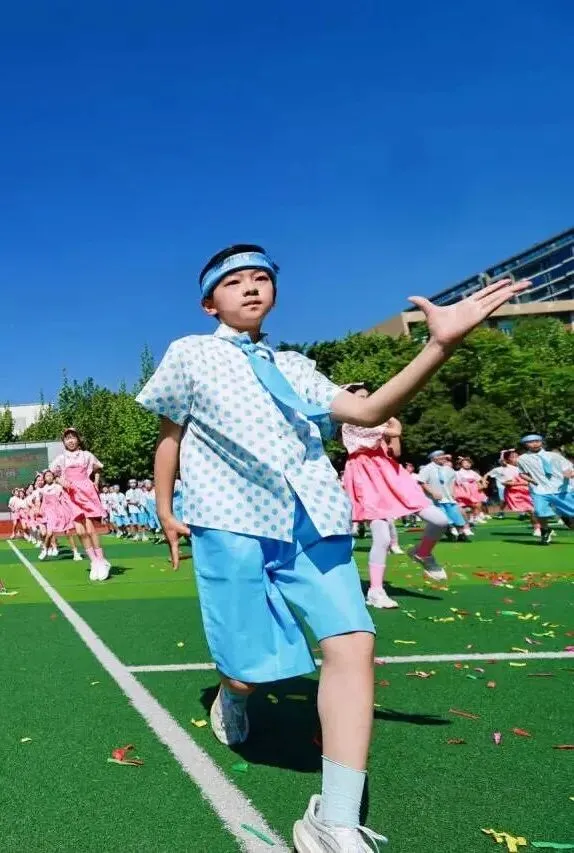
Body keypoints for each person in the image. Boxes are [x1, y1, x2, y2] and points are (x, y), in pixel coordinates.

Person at [136, 242, 527, 851]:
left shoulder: (296, 366)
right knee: (247, 668)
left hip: (312, 517)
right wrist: (165, 508)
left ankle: (335, 820)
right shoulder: (189, 353)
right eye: (234, 281)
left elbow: (367, 410)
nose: (250, 287)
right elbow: (171, 435)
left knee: (353, 642)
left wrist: (439, 345)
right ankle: (234, 695)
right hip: (228, 519)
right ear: (208, 303)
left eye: (261, 277)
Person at [342, 387, 449, 608]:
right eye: (361, 397)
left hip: (391, 474)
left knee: (440, 520)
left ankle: (422, 553)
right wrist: (389, 414)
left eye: (369, 397)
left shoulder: (377, 422)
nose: (367, 401)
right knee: (381, 538)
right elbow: (395, 429)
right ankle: (376, 590)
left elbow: (395, 451)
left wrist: (388, 422)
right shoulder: (351, 422)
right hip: (365, 477)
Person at [50, 429, 111, 580]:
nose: (70, 441)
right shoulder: (61, 458)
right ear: (64, 442)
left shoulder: (86, 455)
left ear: (78, 439)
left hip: (86, 493)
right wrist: (61, 481)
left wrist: (95, 482)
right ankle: (94, 561)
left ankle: (101, 561)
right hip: (71, 495)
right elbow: (52, 474)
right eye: (67, 438)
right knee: (80, 531)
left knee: (90, 528)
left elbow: (98, 468)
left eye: (73, 437)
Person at [517, 434, 574, 544]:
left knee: (571, 519)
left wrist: (570, 473)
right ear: (525, 444)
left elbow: (569, 468)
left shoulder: (554, 455)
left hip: (560, 489)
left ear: (542, 442)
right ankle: (545, 531)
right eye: (531, 442)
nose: (535, 444)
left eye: (537, 441)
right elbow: (522, 473)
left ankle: (565, 517)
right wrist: (532, 481)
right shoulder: (522, 459)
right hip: (540, 490)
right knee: (539, 511)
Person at [418, 451, 474, 540]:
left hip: (448, 498)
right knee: (444, 519)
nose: (443, 458)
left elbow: (452, 481)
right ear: (434, 458)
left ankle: (461, 534)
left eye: (444, 456)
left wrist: (453, 492)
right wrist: (432, 493)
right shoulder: (427, 469)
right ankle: (449, 533)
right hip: (435, 500)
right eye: (441, 456)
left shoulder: (448, 469)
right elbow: (422, 482)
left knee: (456, 516)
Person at [39, 470, 83, 562]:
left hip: (61, 512)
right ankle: (45, 550)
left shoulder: (58, 487)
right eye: (47, 476)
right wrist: (42, 512)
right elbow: (43, 503)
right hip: (50, 513)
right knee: (49, 534)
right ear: (44, 479)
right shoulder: (43, 490)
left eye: (50, 475)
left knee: (68, 532)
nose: (49, 477)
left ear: (53, 477)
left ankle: (75, 553)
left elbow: (65, 498)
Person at [498, 449, 538, 534]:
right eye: (512, 457)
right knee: (532, 510)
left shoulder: (524, 467)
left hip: (529, 491)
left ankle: (539, 528)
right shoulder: (507, 469)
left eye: (517, 456)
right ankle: (538, 529)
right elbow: (506, 483)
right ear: (507, 460)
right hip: (516, 494)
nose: (516, 458)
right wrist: (524, 483)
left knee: (536, 510)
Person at [453, 456, 488, 524]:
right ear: (461, 464)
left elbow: (480, 478)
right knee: (470, 505)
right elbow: (457, 482)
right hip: (466, 490)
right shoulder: (458, 472)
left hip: (475, 489)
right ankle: (471, 518)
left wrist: (483, 483)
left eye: (468, 463)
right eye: (465, 463)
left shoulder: (472, 472)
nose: (467, 464)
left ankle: (476, 517)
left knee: (478, 504)